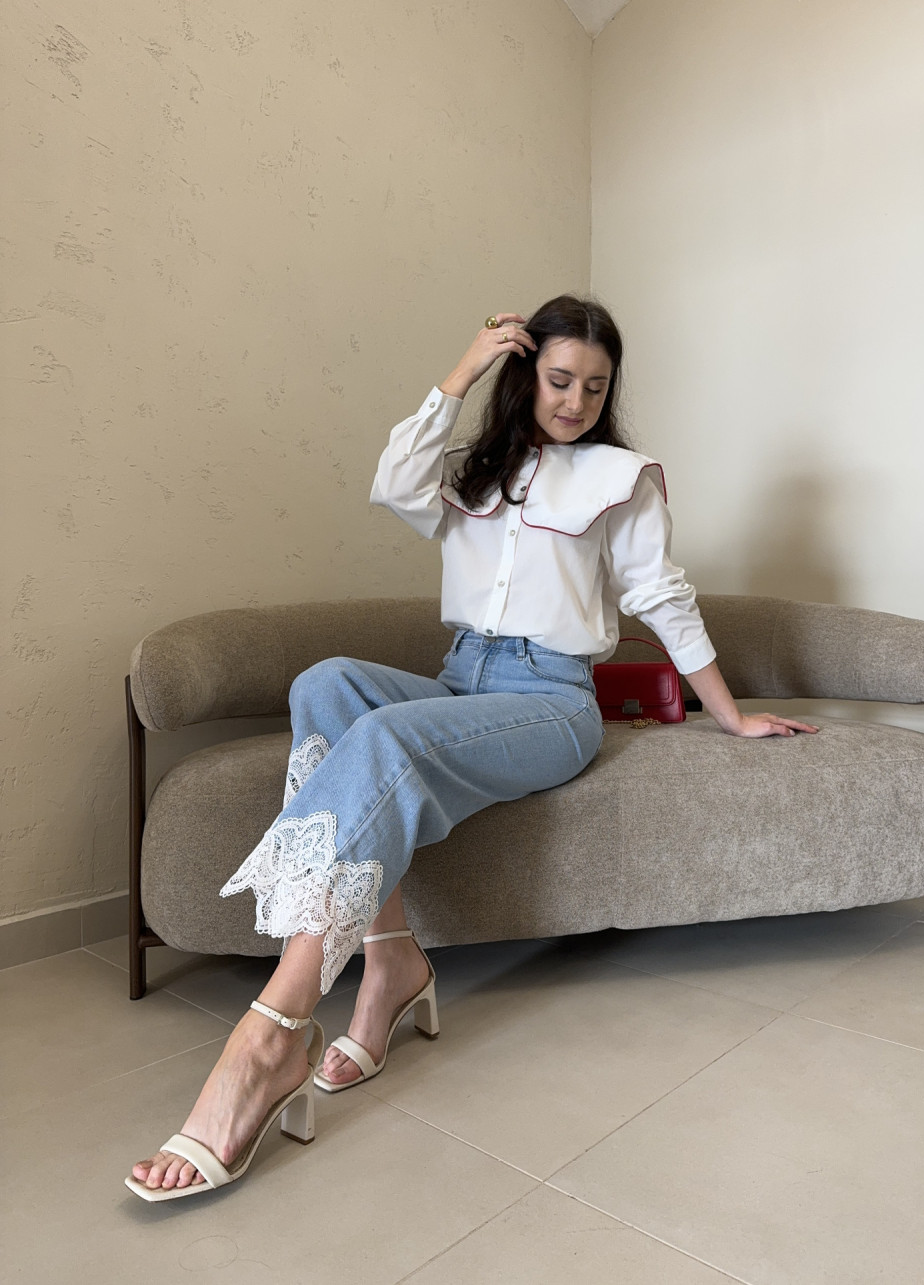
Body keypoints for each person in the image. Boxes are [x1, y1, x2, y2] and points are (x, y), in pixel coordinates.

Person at [127, 295, 817, 1200]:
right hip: (461, 679)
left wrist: (729, 713)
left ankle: (270, 1035)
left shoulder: (621, 478)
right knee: (325, 686)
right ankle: (391, 964)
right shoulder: (473, 471)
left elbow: (662, 597)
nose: (575, 400)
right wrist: (463, 369)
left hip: (551, 701)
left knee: (381, 737)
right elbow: (392, 483)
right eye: (559, 378)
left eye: (595, 387)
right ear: (525, 373)